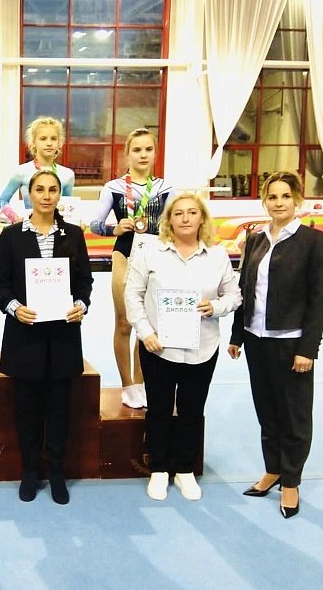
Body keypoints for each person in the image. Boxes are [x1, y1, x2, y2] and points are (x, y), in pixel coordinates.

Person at [227, 170, 323, 519]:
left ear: (297, 199)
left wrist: (308, 349)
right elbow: (244, 291)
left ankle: (290, 481)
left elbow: (319, 300)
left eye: (285, 196)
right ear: (264, 201)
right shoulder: (255, 240)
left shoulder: (314, 241)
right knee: (268, 411)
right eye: (272, 197)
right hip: (256, 339)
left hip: (291, 343)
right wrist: (237, 335)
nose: (279, 203)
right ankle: (272, 469)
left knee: (294, 416)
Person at [125, 192, 241, 502]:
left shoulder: (217, 256)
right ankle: (159, 469)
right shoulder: (151, 252)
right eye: (178, 213)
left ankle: (185, 469)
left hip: (202, 347)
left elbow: (234, 296)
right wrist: (145, 332)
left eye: (192, 212)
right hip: (158, 347)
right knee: (159, 409)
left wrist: (214, 307)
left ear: (202, 218)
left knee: (192, 410)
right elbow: (132, 295)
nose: (185, 218)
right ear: (169, 220)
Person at [0, 170, 93, 505]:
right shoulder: (11, 237)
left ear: (59, 195)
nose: (46, 196)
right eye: (39, 189)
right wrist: (14, 308)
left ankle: (57, 472)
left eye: (52, 190)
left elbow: (84, 281)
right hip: (26, 335)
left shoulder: (73, 235)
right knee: (27, 411)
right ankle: (30, 472)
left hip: (63, 336)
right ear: (28, 194)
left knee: (60, 410)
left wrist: (81, 305)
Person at [89, 128, 172, 409]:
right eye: (137, 150)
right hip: (124, 255)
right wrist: (114, 227)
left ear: (155, 153)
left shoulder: (165, 189)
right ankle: (127, 384)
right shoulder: (113, 188)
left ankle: (140, 382)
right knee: (124, 322)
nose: (143, 155)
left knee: (146, 324)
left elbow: (175, 224)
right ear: (127, 154)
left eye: (148, 149)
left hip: (156, 257)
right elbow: (95, 224)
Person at [0, 116, 75, 222]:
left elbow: (67, 207)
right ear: (33, 142)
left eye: (53, 138)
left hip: (55, 228)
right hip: (29, 227)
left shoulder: (67, 174)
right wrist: (16, 218)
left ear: (59, 143)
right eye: (43, 139)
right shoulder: (22, 172)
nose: (49, 143)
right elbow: (2, 201)